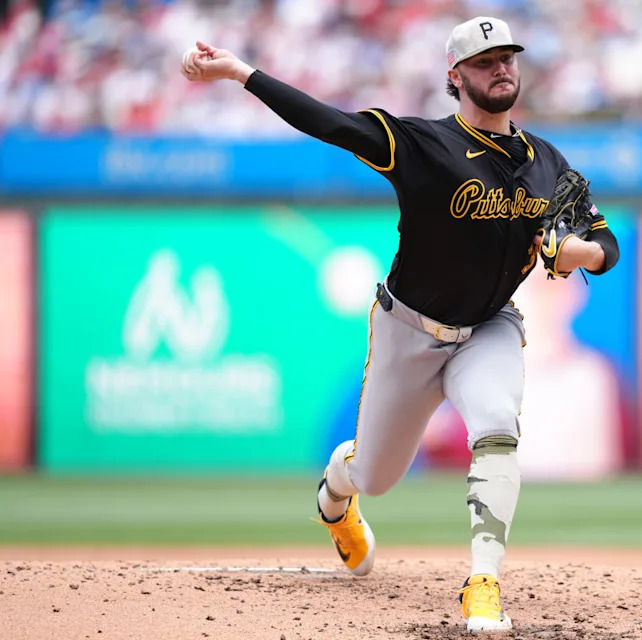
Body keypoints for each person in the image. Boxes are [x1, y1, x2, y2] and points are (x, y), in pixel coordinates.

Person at [181, 16, 619, 633]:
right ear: (455, 76)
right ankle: (338, 492)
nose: (501, 68)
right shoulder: (421, 144)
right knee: (376, 477)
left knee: (497, 425)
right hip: (408, 329)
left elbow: (604, 244)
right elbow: (329, 124)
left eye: (508, 58)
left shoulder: (549, 163)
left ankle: (484, 582)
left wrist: (577, 252)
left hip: (489, 325)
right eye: (485, 60)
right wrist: (242, 73)